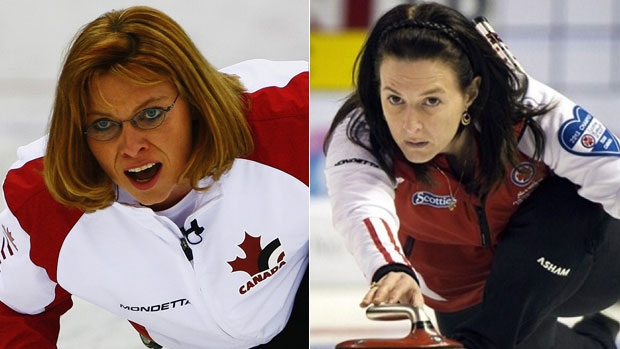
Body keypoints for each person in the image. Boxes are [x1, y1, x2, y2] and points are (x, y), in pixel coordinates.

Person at [0, 5, 308, 349]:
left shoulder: (289, 120)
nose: (131, 147)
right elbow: (12, 308)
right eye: (103, 125)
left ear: (195, 102)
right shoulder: (44, 198)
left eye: (150, 115)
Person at [323, 2, 620, 348]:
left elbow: (613, 178)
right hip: (467, 287)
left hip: (587, 265)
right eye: (395, 99)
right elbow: (359, 204)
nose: (411, 124)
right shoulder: (361, 132)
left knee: (568, 199)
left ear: (471, 93)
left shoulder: (529, 111)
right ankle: (599, 335)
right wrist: (390, 267)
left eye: (431, 101)